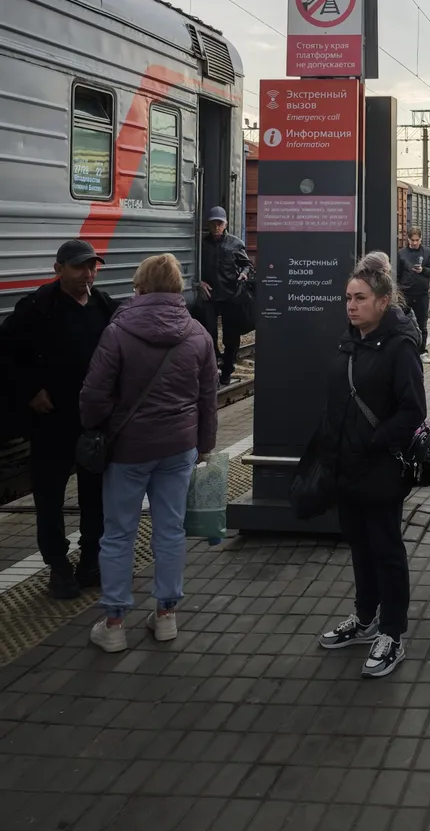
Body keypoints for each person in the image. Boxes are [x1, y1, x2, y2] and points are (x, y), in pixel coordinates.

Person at [79, 253, 218, 651]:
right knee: (170, 530)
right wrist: (203, 445)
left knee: (119, 533)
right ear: (178, 289)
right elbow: (207, 398)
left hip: (129, 450)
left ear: (139, 287)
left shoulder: (118, 331)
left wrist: (98, 426)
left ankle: (114, 623)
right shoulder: (198, 334)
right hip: (179, 448)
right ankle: (167, 616)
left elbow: (94, 394)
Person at [318, 255, 426, 676]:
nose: (351, 305)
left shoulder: (400, 347)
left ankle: (393, 633)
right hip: (347, 465)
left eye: (360, 298)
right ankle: (365, 618)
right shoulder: (350, 340)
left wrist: (373, 442)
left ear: (383, 301)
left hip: (379, 467)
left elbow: (412, 409)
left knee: (386, 549)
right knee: (359, 546)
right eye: (348, 298)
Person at [0, 239, 117, 598]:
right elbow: (6, 356)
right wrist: (30, 391)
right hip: (51, 423)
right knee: (49, 497)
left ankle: (90, 558)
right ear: (59, 269)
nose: (88, 273)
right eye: (80, 266)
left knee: (95, 495)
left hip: (93, 422)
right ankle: (58, 565)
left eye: (93, 266)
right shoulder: (37, 308)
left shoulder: (104, 305)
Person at [198, 207, 252, 386]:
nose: (216, 226)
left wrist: (244, 273)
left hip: (230, 296)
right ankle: (213, 368)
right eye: (213, 223)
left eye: (219, 223)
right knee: (208, 335)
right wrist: (199, 282)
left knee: (231, 337)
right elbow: (194, 266)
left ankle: (227, 370)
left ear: (225, 224)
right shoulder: (201, 244)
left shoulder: (236, 244)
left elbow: (247, 265)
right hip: (210, 297)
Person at [397, 226, 430, 361]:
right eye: (412, 240)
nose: (414, 242)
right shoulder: (401, 253)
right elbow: (397, 273)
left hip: (422, 294)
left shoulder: (427, 252)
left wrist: (423, 270)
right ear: (408, 239)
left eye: (417, 240)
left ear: (420, 239)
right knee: (402, 322)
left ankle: (422, 352)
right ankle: (403, 350)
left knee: (422, 323)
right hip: (406, 293)